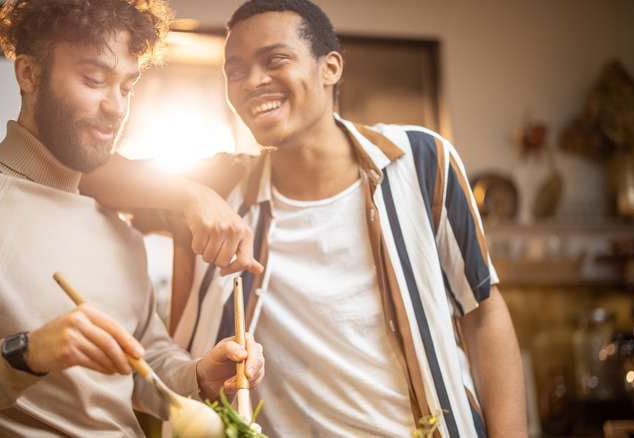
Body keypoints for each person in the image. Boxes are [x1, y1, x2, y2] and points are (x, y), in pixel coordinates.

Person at [80, 0, 528, 437]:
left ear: (330, 68)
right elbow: (86, 169)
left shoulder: (422, 160)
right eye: (234, 71)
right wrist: (188, 193)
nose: (251, 81)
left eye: (275, 59)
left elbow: (483, 315)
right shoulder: (221, 187)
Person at [0, 0, 265, 436]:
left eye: (127, 87)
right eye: (94, 79)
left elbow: (144, 363)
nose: (117, 107)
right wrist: (27, 354)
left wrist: (198, 376)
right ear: (29, 73)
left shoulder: (119, 229)